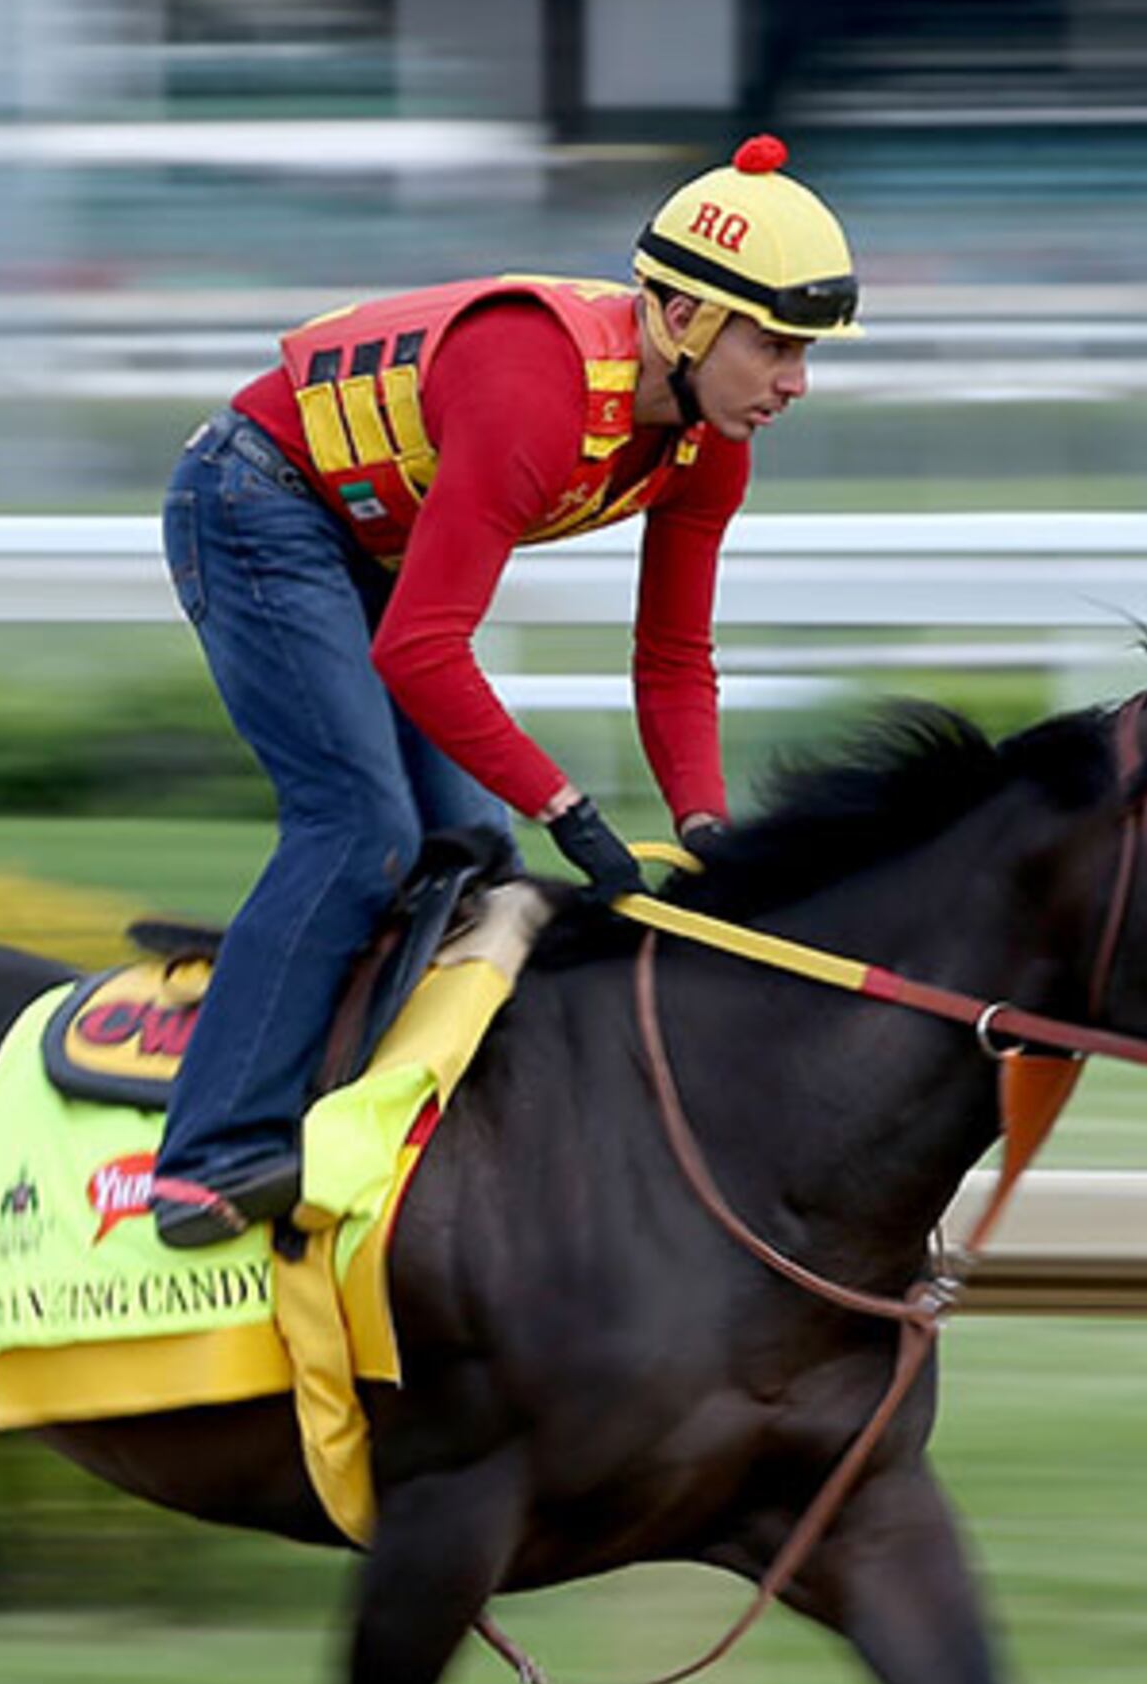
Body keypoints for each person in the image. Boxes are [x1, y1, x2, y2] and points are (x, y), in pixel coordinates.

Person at [144, 134, 861, 1250]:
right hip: (255, 503)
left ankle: (409, 1143)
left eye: (808, 352)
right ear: (682, 318)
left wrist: (707, 828)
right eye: (776, 345)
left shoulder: (710, 446)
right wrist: (572, 810)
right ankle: (208, 1153)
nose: (796, 383)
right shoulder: (537, 387)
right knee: (360, 829)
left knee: (476, 862)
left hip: (369, 543)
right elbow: (423, 652)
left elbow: (672, 658)